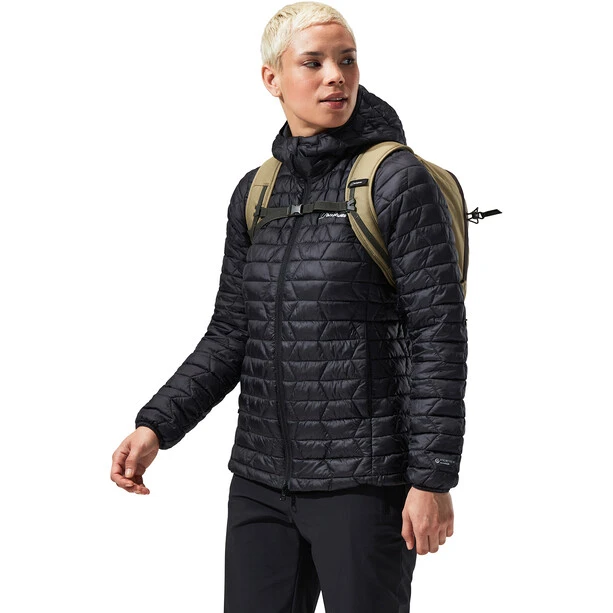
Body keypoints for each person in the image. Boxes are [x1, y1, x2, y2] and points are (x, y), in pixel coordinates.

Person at [110, 2, 467, 611]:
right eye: (314, 62)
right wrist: (157, 426)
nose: (336, 76)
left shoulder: (395, 180)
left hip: (364, 482)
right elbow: (232, 332)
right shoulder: (257, 191)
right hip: (260, 481)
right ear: (271, 78)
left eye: (347, 60)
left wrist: (432, 479)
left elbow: (439, 334)